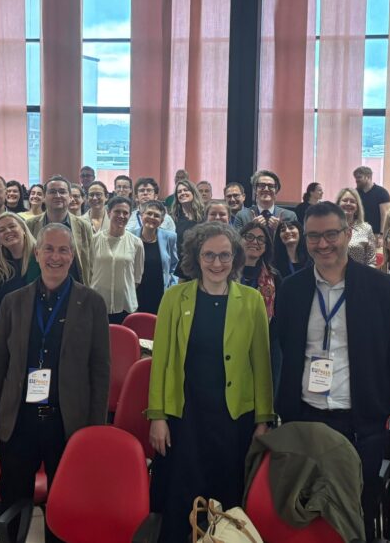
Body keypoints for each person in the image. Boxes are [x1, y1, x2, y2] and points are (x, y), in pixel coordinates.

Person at [273, 202, 390, 541]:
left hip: (360, 421)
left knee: (358, 508)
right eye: (313, 236)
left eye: (331, 234)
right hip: (306, 417)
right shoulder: (291, 289)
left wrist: (381, 402)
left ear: (348, 234)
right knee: (305, 508)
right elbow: (284, 347)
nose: (323, 244)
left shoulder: (381, 288)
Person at [0, 224, 111, 543]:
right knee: (12, 505)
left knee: (64, 508)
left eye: (63, 250)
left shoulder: (92, 303)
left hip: (67, 424)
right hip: (19, 421)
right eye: (49, 249)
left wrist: (94, 433)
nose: (56, 256)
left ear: (72, 256)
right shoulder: (13, 302)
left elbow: (100, 372)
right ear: (37, 254)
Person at [148, 221, 274, 542]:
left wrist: (263, 420)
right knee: (182, 498)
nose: (217, 263)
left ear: (235, 258)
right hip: (185, 417)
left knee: (227, 498)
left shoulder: (252, 300)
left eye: (224, 255)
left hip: (234, 419)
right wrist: (158, 416)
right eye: (209, 255)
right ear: (196, 257)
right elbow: (161, 361)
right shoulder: (174, 298)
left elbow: (261, 364)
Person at [0, 212, 41, 367]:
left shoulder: (40, 260)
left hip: (35, 338)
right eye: (2, 230)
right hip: (4, 338)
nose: (8, 231)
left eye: (12, 226)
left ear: (23, 229)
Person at [24, 176, 96, 285]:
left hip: (74, 289)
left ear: (70, 197)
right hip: (38, 288)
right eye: (52, 192)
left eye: (62, 192)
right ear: (44, 197)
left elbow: (90, 263)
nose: (58, 196)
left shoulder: (84, 227)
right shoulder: (30, 225)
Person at [88, 197, 144, 324]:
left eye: (125, 213)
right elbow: (89, 272)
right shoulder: (94, 240)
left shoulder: (136, 243)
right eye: (117, 211)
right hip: (98, 303)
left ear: (130, 215)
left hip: (124, 305)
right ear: (109, 213)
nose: (121, 216)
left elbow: (137, 278)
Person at [130, 200, 179, 315]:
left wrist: (172, 287)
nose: (152, 217)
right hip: (135, 293)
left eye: (156, 215)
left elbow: (174, 265)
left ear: (161, 221)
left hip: (160, 293)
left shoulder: (170, 237)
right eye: (149, 213)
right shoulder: (130, 236)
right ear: (142, 215)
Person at [238, 223, 279, 319]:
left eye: (260, 239)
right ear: (239, 240)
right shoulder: (227, 273)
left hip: (264, 327)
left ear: (266, 246)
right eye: (249, 237)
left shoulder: (274, 276)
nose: (255, 242)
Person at [234, 170, 299, 230]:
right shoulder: (242, 216)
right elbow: (237, 239)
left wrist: (280, 229)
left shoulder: (289, 216)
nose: (266, 189)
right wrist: (253, 228)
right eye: (262, 185)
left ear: (276, 190)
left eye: (270, 186)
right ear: (255, 190)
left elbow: (295, 238)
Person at [336, 187, 378, 267]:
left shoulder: (366, 228)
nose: (348, 203)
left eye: (352, 201)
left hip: (359, 273)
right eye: (345, 200)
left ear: (357, 207)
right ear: (337, 204)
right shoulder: (329, 227)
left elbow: (371, 261)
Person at [354, 166, 390, 234]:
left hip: (376, 234)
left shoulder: (382, 192)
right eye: (356, 178)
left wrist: (382, 234)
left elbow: (385, 215)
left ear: (368, 177)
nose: (356, 180)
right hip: (358, 234)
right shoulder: (355, 193)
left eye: (359, 177)